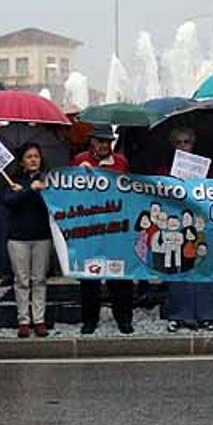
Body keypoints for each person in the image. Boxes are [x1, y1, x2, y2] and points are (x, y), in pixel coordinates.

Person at [72, 126, 135, 335]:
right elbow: (69, 191)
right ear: (92, 142)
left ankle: (124, 318)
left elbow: (128, 190)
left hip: (115, 227)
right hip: (89, 228)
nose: (104, 145)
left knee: (120, 276)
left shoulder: (120, 162)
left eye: (107, 142)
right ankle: (90, 319)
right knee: (89, 277)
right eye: (100, 141)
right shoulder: (80, 160)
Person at [0, 143, 53, 338]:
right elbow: (9, 201)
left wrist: (39, 190)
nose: (33, 160)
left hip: (42, 237)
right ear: (22, 161)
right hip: (18, 238)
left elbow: (52, 205)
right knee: (21, 281)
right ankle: (23, 320)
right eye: (29, 156)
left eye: (36, 156)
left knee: (39, 280)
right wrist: (27, 190)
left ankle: (39, 320)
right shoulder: (14, 181)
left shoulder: (48, 179)